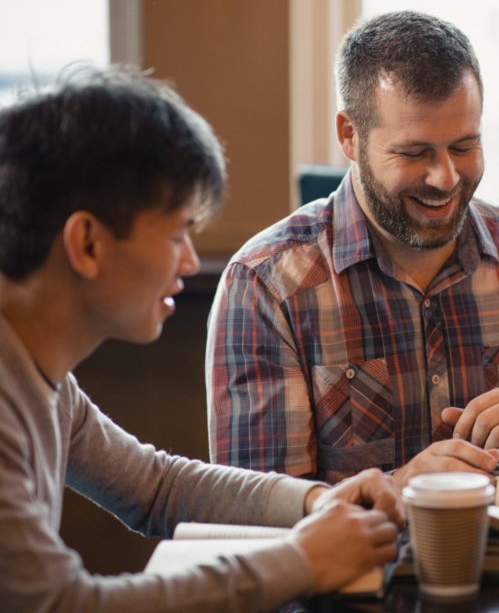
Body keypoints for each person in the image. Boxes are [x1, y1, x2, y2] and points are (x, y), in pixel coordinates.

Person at [0, 68, 403, 611]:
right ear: (88, 243)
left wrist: (317, 501)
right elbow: (59, 604)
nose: (190, 260)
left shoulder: (41, 378)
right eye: (176, 234)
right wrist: (302, 561)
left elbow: (156, 487)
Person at [205, 11, 499, 485]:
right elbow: (258, 525)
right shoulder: (266, 285)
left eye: (464, 146)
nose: (445, 178)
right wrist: (401, 491)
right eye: (413, 153)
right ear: (350, 136)